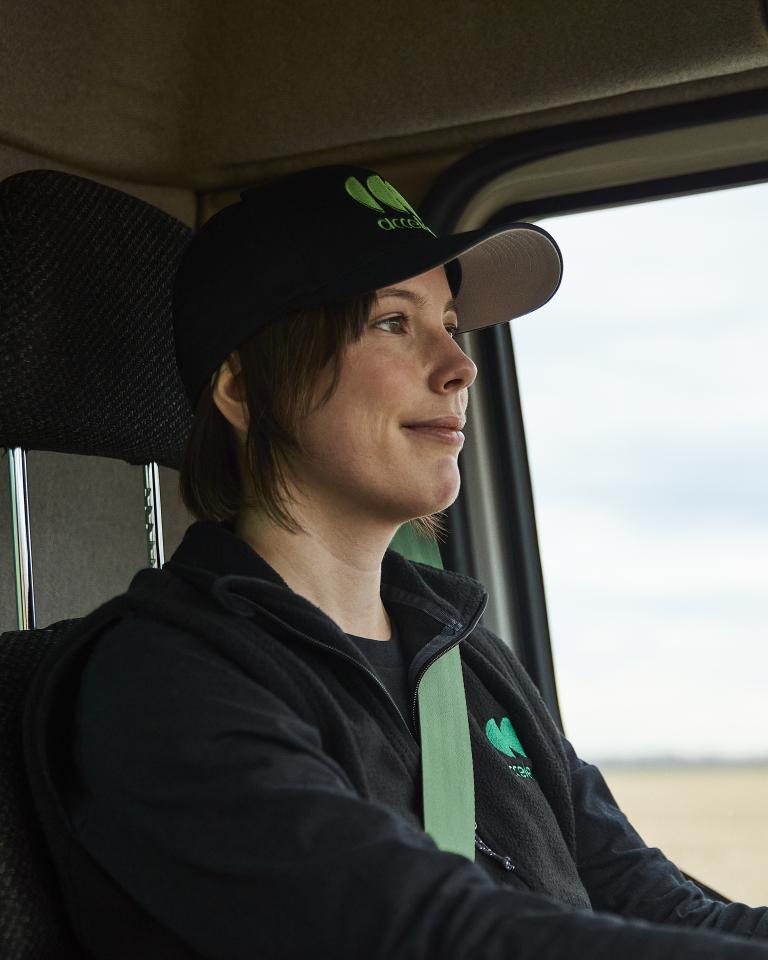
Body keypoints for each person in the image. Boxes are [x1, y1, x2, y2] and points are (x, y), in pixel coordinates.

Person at [25, 164, 768, 959]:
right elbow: (419, 934)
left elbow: (662, 906)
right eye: (392, 322)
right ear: (243, 390)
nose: (460, 366)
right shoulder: (158, 684)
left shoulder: (465, 658)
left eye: (450, 321)